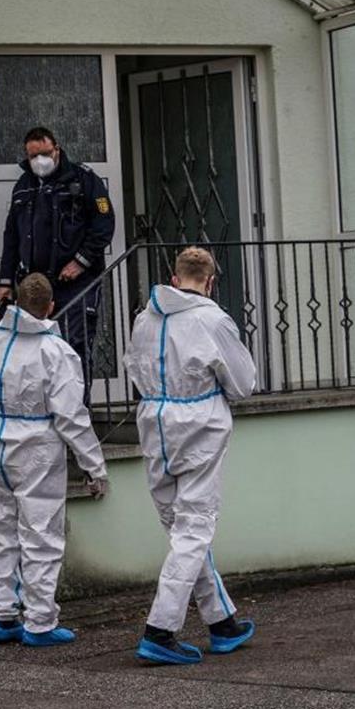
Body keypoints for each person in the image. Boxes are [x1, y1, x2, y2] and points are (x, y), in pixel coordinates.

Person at [0, 273, 109, 647]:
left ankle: (2, 613)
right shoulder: (57, 352)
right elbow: (72, 417)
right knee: (40, 534)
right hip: (36, 445)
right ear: (50, 307)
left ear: (17, 303)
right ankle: (39, 621)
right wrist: (94, 466)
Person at [123, 247, 258, 665]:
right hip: (199, 421)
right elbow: (243, 382)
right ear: (211, 281)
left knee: (180, 527)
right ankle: (160, 630)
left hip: (154, 420)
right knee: (194, 527)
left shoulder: (144, 318)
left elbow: (134, 366)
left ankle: (222, 622)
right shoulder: (212, 319)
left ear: (174, 276)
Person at [0, 126, 115, 392]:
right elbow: (12, 237)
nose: (39, 161)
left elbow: (104, 225)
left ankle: (76, 415)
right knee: (33, 350)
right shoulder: (24, 186)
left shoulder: (83, 180)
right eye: (32, 156)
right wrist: (4, 280)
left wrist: (81, 261)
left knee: (72, 347)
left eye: (45, 153)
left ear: (57, 149)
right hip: (35, 286)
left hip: (74, 284)